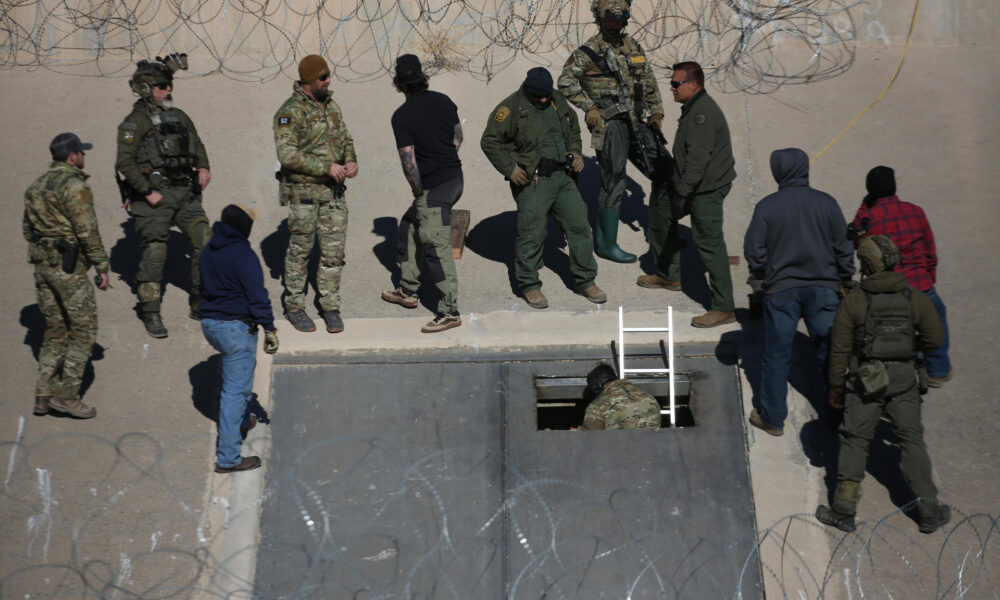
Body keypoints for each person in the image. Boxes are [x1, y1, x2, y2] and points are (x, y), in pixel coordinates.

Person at [816, 235, 950, 534]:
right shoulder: (915, 298)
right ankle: (929, 510)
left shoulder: (854, 301)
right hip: (903, 379)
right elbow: (935, 340)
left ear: (865, 264)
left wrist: (837, 388)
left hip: (866, 380)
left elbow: (838, 351)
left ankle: (844, 510)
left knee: (855, 440)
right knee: (911, 440)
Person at [743, 148, 855, 436]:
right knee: (830, 353)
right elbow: (843, 246)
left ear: (778, 171)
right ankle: (838, 415)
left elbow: (754, 251)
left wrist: (766, 274)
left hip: (781, 292)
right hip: (825, 291)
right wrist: (845, 277)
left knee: (777, 355)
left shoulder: (767, 207)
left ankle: (772, 417)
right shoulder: (826, 203)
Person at [480, 67, 607, 309]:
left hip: (563, 177)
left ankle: (585, 280)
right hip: (534, 180)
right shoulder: (511, 107)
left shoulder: (557, 99)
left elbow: (572, 129)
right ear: (528, 90)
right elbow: (490, 141)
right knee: (531, 233)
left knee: (579, 226)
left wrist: (576, 152)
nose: (543, 100)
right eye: (538, 96)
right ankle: (529, 285)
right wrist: (509, 168)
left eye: (546, 95)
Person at [557, 0, 671, 263]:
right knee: (614, 181)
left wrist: (656, 112)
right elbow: (565, 81)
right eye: (609, 19)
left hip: (636, 122)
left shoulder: (632, 46)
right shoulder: (589, 51)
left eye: (619, 19)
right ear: (600, 18)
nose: (614, 24)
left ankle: (662, 235)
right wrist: (589, 107)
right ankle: (607, 244)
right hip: (611, 125)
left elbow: (648, 79)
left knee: (665, 172)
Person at [116, 54, 212, 339]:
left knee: (205, 242)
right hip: (155, 196)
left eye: (169, 84)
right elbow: (125, 162)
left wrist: (204, 166)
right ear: (146, 89)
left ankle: (200, 300)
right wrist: (147, 190)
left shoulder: (179, 116)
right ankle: (150, 310)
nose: (168, 90)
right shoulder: (135, 122)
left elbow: (198, 142)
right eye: (161, 86)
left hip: (185, 193)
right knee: (156, 252)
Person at [642, 61, 737, 328]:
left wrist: (682, 194)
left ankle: (724, 307)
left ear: (692, 85)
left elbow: (698, 160)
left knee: (709, 243)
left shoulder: (701, 115)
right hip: (690, 183)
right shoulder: (693, 108)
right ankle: (668, 275)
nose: (671, 88)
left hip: (705, 188)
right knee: (660, 215)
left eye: (676, 84)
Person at [23, 133, 110, 419]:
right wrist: (101, 266)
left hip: (42, 266)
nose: (83, 157)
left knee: (55, 331)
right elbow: (87, 230)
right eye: (81, 153)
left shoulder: (34, 187)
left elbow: (28, 231)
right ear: (72, 156)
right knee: (84, 331)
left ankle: (42, 394)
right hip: (68, 269)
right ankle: (67, 396)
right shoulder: (75, 186)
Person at [274, 54, 358, 334]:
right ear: (309, 80)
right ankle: (295, 306)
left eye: (328, 75)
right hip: (305, 194)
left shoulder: (331, 106)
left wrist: (350, 160)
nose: (328, 81)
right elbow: (287, 155)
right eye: (323, 77)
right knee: (300, 252)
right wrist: (326, 167)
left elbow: (345, 137)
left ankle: (330, 306)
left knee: (333, 254)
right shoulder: (290, 112)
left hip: (334, 194)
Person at [380, 54, 464, 333]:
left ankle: (450, 311)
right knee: (408, 227)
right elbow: (458, 136)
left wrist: (419, 190)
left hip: (434, 188)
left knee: (435, 248)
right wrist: (444, 159)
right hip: (454, 178)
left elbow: (408, 162)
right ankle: (408, 289)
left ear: (398, 84)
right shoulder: (443, 100)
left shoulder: (401, 117)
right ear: (422, 77)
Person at [850, 166, 951, 387]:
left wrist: (863, 208)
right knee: (937, 317)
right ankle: (939, 370)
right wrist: (928, 280)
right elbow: (930, 253)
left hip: (888, 290)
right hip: (920, 285)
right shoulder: (916, 211)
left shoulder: (869, 218)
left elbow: (857, 242)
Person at [199, 204, 279, 473]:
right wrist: (269, 328)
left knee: (239, 380)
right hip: (235, 329)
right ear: (243, 227)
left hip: (211, 325)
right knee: (234, 392)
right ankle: (228, 459)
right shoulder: (243, 254)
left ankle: (243, 420)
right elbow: (257, 296)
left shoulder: (209, 249)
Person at [581, 363, 660, 430]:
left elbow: (591, 439)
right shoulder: (649, 398)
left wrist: (580, 432)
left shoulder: (597, 405)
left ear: (596, 385)